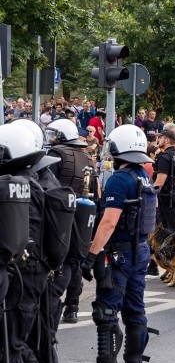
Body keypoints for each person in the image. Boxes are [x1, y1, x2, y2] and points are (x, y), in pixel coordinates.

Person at [0, 125, 78, 363]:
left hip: (19, 274)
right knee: (14, 343)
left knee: (10, 346)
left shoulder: (14, 187)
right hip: (36, 272)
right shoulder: (37, 183)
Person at [79, 125, 160, 363]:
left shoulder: (119, 179)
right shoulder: (144, 177)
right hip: (139, 251)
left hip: (119, 254)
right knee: (135, 312)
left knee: (106, 310)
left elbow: (110, 221)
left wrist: (91, 254)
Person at [45, 118, 98, 324]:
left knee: (58, 257)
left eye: (53, 134)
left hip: (60, 213)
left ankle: (53, 301)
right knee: (76, 258)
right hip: (83, 213)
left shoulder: (55, 154)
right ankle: (73, 306)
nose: (51, 138)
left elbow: (47, 186)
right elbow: (95, 190)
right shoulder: (87, 157)